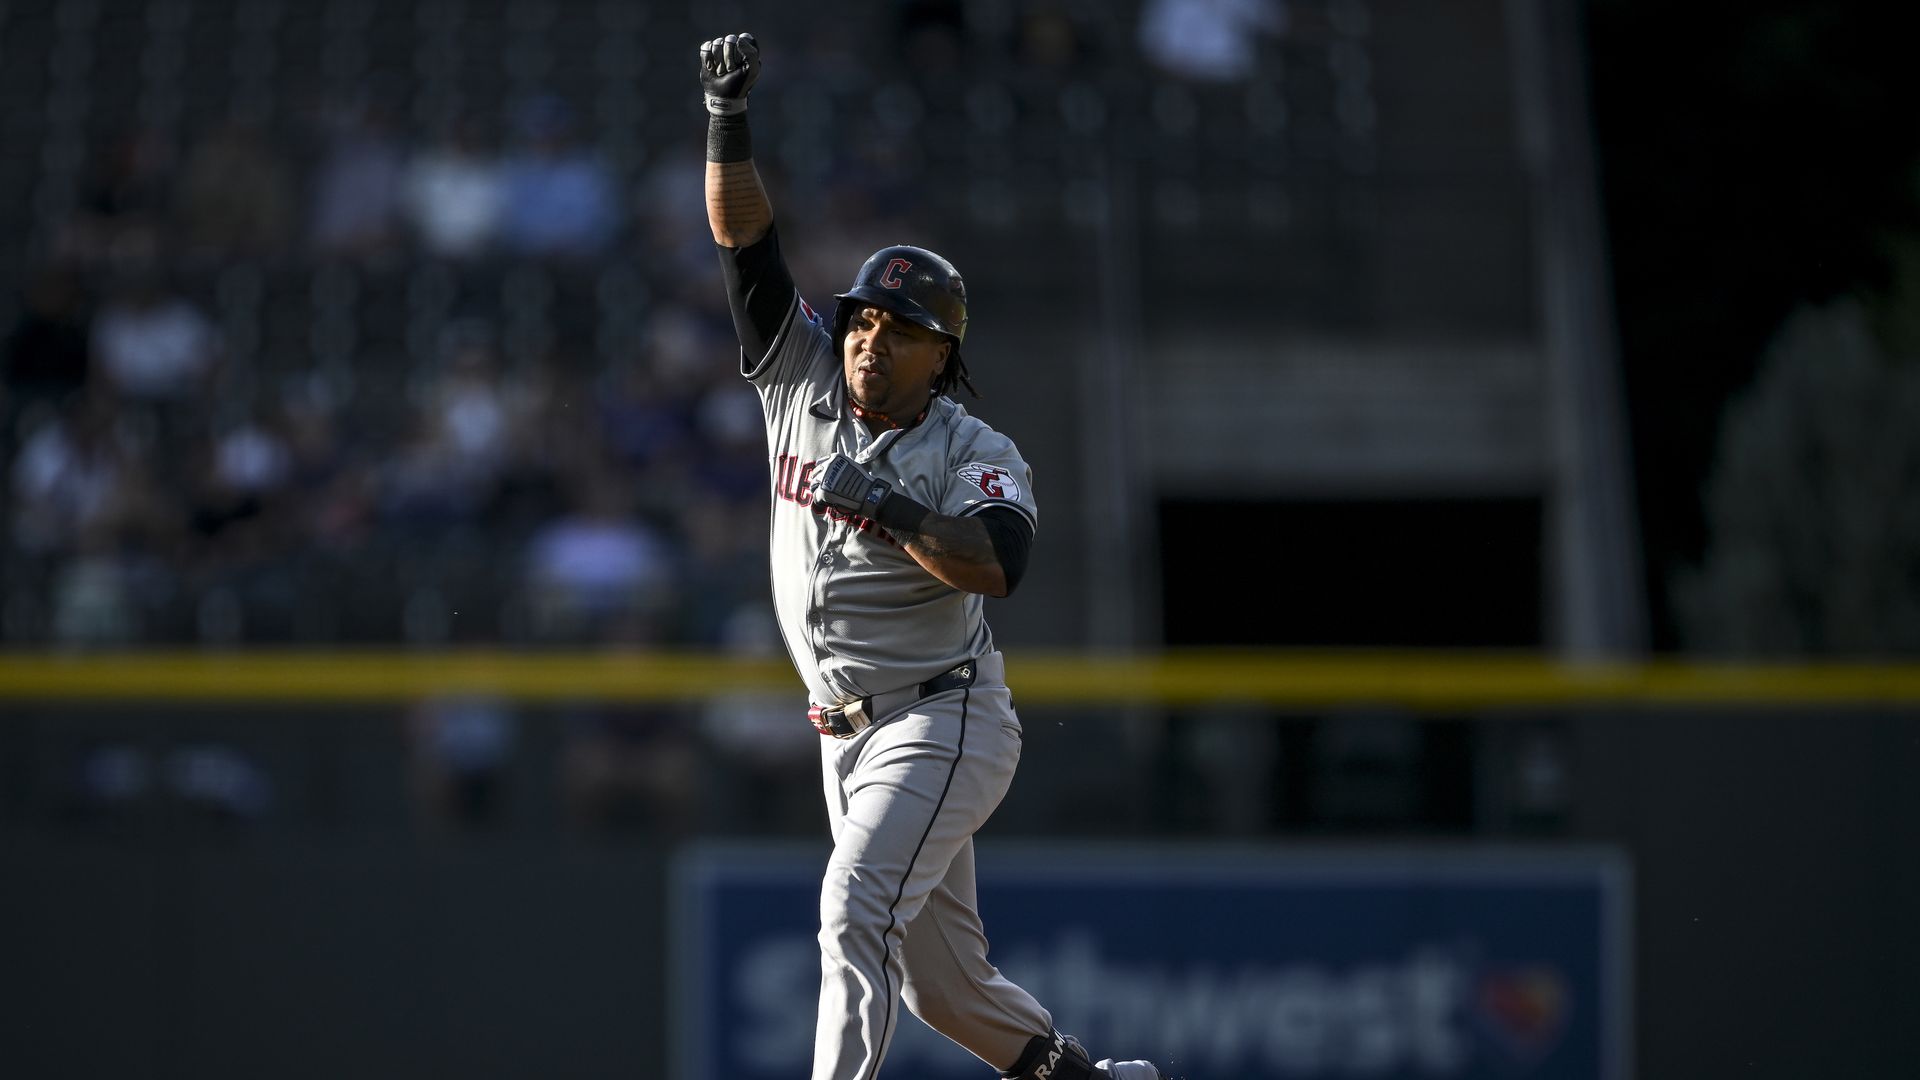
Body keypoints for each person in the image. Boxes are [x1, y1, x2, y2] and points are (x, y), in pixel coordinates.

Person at [697, 32, 1164, 1080]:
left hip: (939, 714)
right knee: (938, 984)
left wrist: (894, 509)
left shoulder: (974, 450)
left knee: (852, 908)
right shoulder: (799, 377)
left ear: (942, 353)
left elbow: (999, 563)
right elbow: (746, 248)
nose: (870, 338)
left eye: (900, 329)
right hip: (842, 729)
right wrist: (727, 122)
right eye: (864, 318)